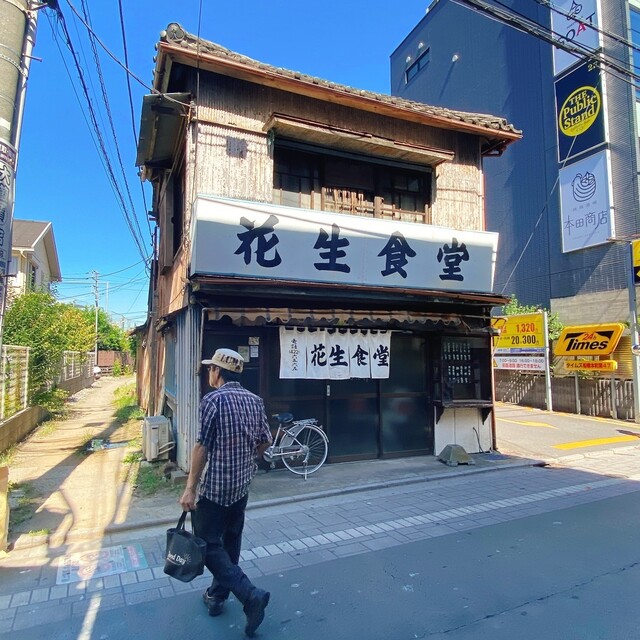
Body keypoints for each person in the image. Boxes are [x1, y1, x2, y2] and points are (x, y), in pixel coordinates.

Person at [179, 348, 273, 637]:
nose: (209, 372)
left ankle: (250, 594)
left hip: (217, 488)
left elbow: (202, 447)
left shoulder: (213, 400)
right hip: (242, 485)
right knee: (230, 542)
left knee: (206, 545)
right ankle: (217, 596)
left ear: (217, 371)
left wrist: (190, 488)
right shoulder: (255, 401)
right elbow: (266, 441)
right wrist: (247, 457)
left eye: (211, 368)